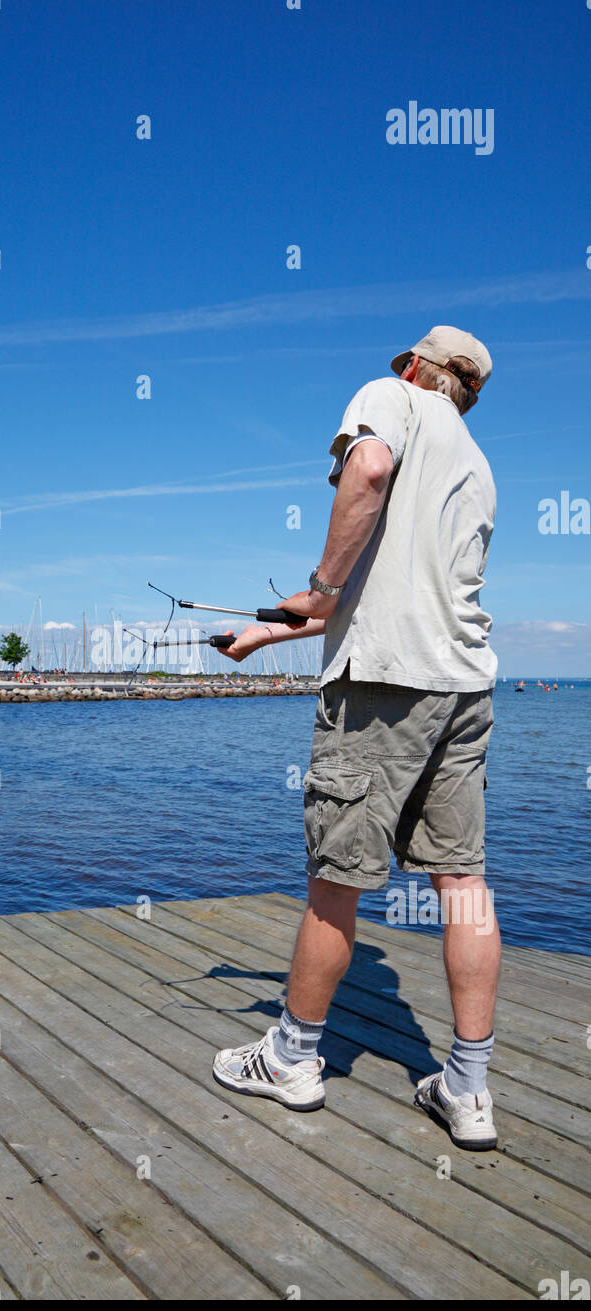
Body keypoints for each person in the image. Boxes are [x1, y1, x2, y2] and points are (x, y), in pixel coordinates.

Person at [213, 327, 500, 1151]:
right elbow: (396, 594)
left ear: (416, 368)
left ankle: (292, 1059)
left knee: (334, 878)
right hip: (466, 687)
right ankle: (468, 1089)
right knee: (463, 884)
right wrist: (264, 636)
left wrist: (318, 584)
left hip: (382, 688)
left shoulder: (390, 401)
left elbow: (366, 476)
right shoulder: (477, 468)